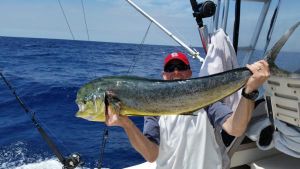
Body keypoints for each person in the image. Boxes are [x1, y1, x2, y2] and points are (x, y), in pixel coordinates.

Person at [105, 52, 270, 169]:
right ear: (164, 75)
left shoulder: (206, 101)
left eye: (181, 67)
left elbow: (236, 128)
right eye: (171, 69)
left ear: (190, 73)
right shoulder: (153, 109)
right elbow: (151, 155)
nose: (176, 72)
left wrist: (249, 92)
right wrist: (127, 124)